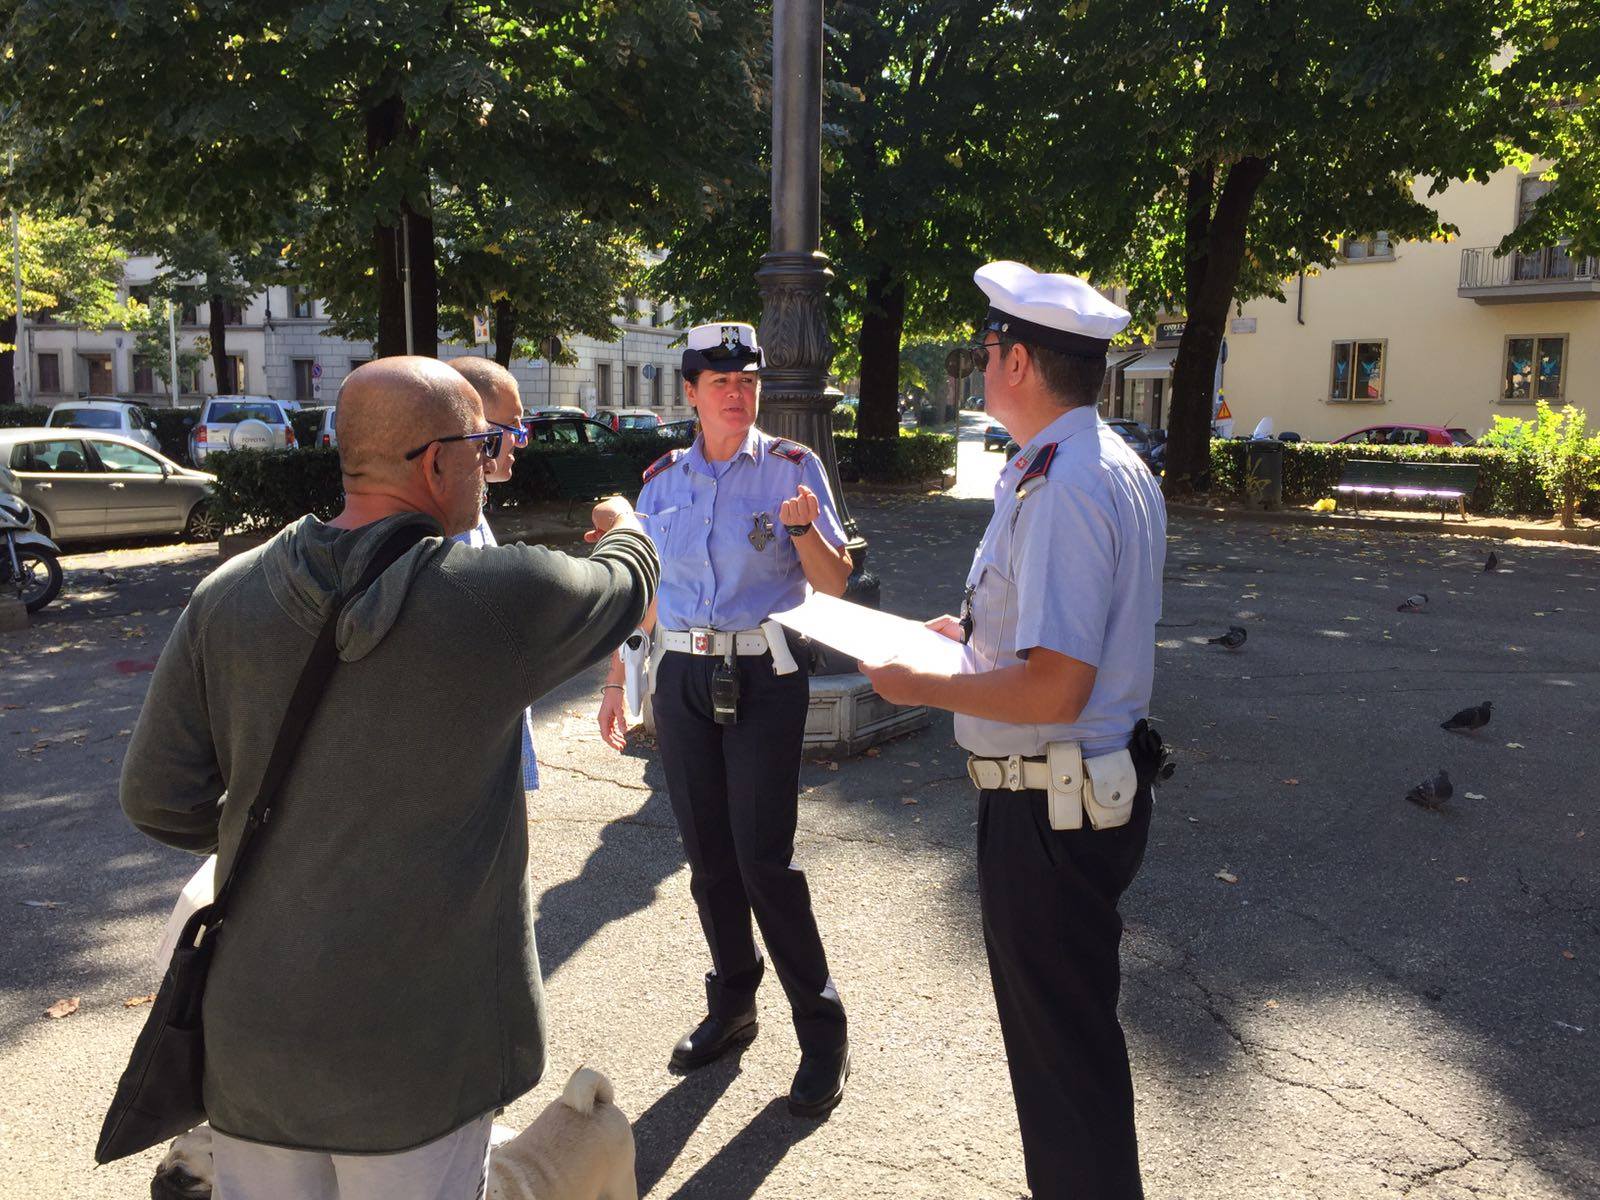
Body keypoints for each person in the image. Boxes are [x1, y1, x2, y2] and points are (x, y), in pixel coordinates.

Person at [119, 357, 658, 1200]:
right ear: (436, 461)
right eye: (482, 444)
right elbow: (627, 582)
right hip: (419, 1049)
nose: (490, 460)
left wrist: (275, 831)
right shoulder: (493, 598)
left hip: (257, 1034)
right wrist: (626, 518)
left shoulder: (226, 593)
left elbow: (155, 795)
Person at [860, 261, 1168, 1199]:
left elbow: (1056, 689)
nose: (980, 363)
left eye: (986, 349)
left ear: (1021, 361)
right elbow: (1045, 645)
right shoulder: (1081, 465)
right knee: (1070, 1059)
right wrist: (964, 641)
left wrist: (915, 680)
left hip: (1051, 811)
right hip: (1067, 801)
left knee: (1064, 1073)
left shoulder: (1068, 484)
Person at [593, 321, 854, 1118]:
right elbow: (642, 591)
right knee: (708, 859)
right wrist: (617, 679)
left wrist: (806, 529)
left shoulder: (790, 469)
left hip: (765, 676)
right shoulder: (662, 482)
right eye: (722, 385)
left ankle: (822, 1032)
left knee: (763, 861)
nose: (738, 396)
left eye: (748, 384)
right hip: (681, 676)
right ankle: (733, 1005)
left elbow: (835, 584)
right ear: (692, 394)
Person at [449, 356, 540, 793]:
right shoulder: (447, 526)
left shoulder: (473, 512)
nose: (521, 443)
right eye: (515, 428)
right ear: (478, 429)